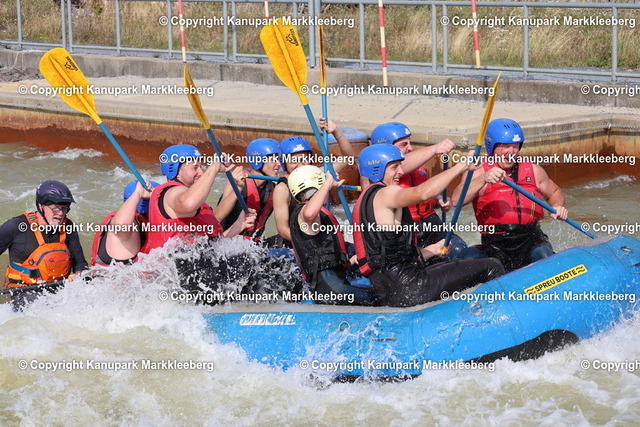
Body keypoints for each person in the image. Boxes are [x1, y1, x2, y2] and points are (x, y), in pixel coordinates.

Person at [353, 144, 505, 307]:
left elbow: (392, 259)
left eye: (400, 166)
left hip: (393, 292)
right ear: (375, 169)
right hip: (412, 288)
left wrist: (432, 250)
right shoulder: (385, 193)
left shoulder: (365, 201)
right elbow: (423, 193)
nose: (401, 172)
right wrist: (462, 165)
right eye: (394, 167)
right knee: (492, 266)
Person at [451, 118, 569, 272]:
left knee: (543, 254)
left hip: (531, 238)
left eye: (515, 146)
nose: (511, 152)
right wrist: (483, 179)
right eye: (505, 146)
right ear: (492, 147)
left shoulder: (533, 170)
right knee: (469, 257)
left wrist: (557, 206)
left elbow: (554, 192)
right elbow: (456, 200)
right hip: (495, 243)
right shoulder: (478, 171)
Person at [369, 122, 469, 258]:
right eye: (404, 144)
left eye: (409, 143)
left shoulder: (418, 167)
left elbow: (423, 191)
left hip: (430, 222)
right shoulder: (379, 173)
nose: (410, 148)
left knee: (458, 249)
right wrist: (435, 148)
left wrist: (438, 199)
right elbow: (413, 183)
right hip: (406, 228)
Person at [287, 165, 377, 305]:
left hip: (332, 282)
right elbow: (309, 213)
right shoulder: (305, 212)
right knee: (380, 298)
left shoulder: (312, 214)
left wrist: (350, 260)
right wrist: (327, 183)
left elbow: (324, 253)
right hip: (330, 288)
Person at [145, 144, 255, 252]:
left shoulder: (194, 199)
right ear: (177, 171)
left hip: (196, 259)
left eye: (201, 167)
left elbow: (216, 245)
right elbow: (187, 204)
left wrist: (239, 225)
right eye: (195, 168)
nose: (201, 173)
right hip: (174, 260)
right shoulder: (171, 192)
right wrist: (214, 167)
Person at [273, 119, 357, 245]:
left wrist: (335, 131)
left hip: (320, 239)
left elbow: (349, 158)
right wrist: (308, 246)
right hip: (297, 244)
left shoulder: (318, 174)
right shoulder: (282, 188)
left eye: (304, 159)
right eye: (294, 161)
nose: (300, 165)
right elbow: (283, 229)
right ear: (284, 164)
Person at [1, 180, 88, 289]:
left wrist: (79, 274)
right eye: (55, 208)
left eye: (64, 208)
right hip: (25, 292)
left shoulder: (68, 227)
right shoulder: (15, 226)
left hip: (61, 292)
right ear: (41, 206)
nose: (60, 213)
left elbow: (80, 264)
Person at [216, 138, 280, 244]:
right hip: (227, 243)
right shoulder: (236, 182)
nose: (278, 164)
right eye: (273, 160)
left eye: (279, 159)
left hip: (255, 244)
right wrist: (238, 187)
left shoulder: (274, 188)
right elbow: (217, 217)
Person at [91, 180, 158, 266]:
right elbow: (121, 225)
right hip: (112, 274)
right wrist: (138, 194)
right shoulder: (133, 226)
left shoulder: (146, 224)